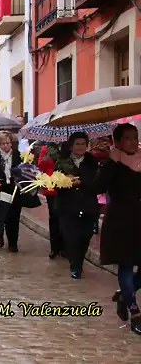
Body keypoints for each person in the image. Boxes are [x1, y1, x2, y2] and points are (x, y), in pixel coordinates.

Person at [94, 123, 141, 334]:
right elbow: (98, 187)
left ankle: (124, 294)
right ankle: (135, 311)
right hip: (121, 222)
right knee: (126, 265)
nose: (133, 142)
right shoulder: (112, 162)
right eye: (128, 138)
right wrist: (110, 162)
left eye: (136, 137)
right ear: (118, 141)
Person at [54, 132, 99, 279]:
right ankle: (75, 266)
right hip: (68, 205)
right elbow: (54, 182)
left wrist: (82, 182)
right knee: (71, 237)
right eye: (77, 144)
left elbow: (96, 183)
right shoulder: (62, 161)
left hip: (88, 206)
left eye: (83, 144)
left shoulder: (92, 161)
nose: (80, 147)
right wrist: (65, 181)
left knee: (85, 236)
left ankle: (79, 261)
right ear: (72, 146)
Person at [38, 144, 63, 259]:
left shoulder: (68, 147)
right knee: (54, 215)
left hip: (65, 184)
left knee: (64, 216)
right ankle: (54, 247)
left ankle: (65, 246)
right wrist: (46, 159)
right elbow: (40, 165)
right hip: (51, 186)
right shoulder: (45, 148)